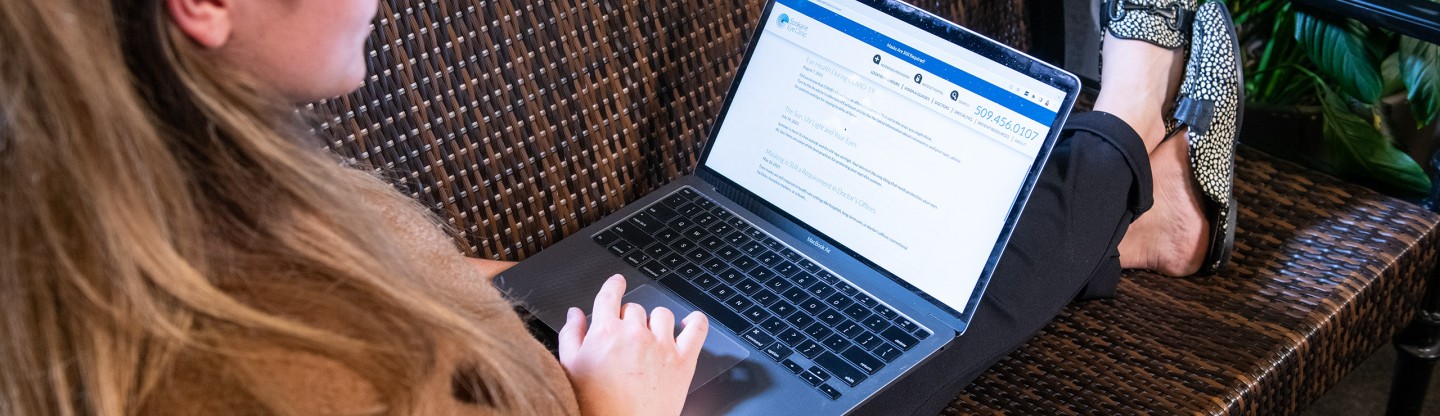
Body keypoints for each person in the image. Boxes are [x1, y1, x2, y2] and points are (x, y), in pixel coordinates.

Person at [0, 0, 1239, 414]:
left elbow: (399, 287)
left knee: (870, 299)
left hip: (577, 348)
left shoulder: (181, 198)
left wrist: (545, 294)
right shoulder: (236, 364)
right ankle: (1134, 136)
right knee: (914, 326)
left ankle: (1129, 202)